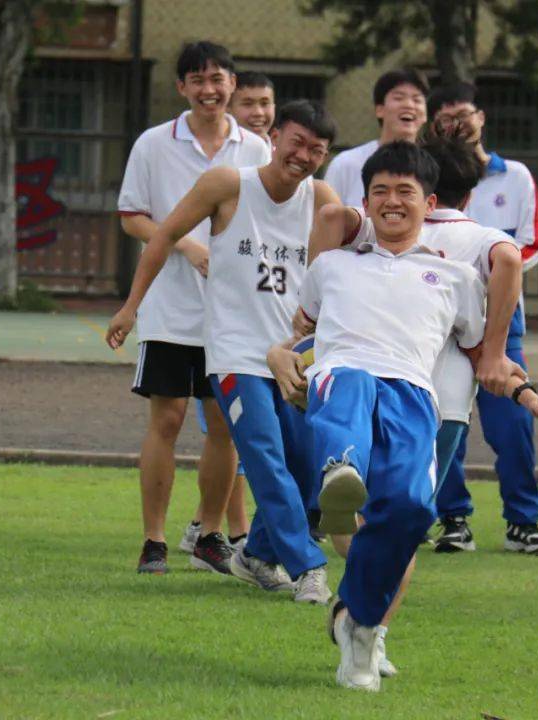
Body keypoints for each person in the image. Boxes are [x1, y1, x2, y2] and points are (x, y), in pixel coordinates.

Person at [274, 141, 538, 690]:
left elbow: (485, 356)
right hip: (345, 375)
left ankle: (357, 628)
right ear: (367, 200)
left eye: (405, 191)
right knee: (347, 388)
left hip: (413, 392)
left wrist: (530, 397)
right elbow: (298, 334)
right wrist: (277, 354)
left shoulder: (455, 278)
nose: (392, 201)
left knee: (409, 508)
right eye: (380, 190)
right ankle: (340, 471)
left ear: (429, 204)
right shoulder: (333, 265)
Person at [108, 100, 341, 602]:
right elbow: (163, 236)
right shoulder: (227, 185)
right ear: (274, 137)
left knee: (304, 463)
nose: (302, 156)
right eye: (296, 143)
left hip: (293, 356)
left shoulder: (321, 200)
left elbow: (335, 272)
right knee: (263, 453)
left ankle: (257, 553)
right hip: (235, 353)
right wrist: (131, 308)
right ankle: (308, 567)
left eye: (316, 151)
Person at [117, 41, 271, 575]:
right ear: (182, 87)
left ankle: (208, 532)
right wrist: (183, 243)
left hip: (232, 311)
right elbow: (132, 216)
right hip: (169, 303)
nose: (210, 89)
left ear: (233, 84)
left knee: (226, 421)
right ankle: (154, 540)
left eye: (219, 79)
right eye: (198, 80)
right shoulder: (155, 144)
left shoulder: (256, 149)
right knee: (169, 416)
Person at [425, 83, 538, 553]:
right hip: (439, 317)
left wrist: (489, 270)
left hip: (500, 314)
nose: (456, 124)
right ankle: (452, 517)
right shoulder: (427, 171)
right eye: (446, 117)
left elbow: (532, 242)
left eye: (463, 114)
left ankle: (523, 519)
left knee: (510, 423)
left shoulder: (514, 175)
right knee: (446, 418)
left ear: (481, 116)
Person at [180, 71, 279, 555]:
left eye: (266, 103)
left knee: (242, 435)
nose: (259, 113)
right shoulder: (224, 168)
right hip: (217, 325)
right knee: (228, 432)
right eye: (249, 104)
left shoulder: (278, 164)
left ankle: (209, 523)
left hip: (268, 324)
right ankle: (230, 530)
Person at [323, 69, 428, 205]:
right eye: (399, 98)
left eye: (417, 100)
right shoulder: (345, 164)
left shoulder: (436, 165)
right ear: (379, 110)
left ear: (425, 114)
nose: (409, 105)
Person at [228, 71, 276, 142]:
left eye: (264, 103)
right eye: (248, 104)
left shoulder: (280, 152)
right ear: (227, 108)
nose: (258, 113)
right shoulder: (216, 151)